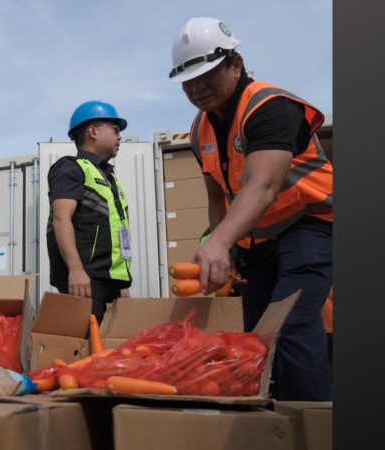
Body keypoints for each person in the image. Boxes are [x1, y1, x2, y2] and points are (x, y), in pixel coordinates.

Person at [169, 17, 333, 400]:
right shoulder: (199, 129)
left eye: (207, 74)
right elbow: (217, 196)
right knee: (256, 338)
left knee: (289, 327)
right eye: (187, 81)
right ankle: (271, 423)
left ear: (235, 64)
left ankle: (312, 424)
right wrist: (224, 246)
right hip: (258, 244)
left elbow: (264, 185)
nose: (196, 88)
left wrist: (219, 243)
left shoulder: (270, 107)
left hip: (308, 226)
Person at [47, 101, 132, 325]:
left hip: (110, 282)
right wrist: (75, 270)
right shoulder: (70, 168)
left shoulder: (108, 177)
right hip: (85, 281)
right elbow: (60, 218)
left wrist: (121, 284)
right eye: (115, 129)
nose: (119, 137)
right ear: (93, 131)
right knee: (85, 350)